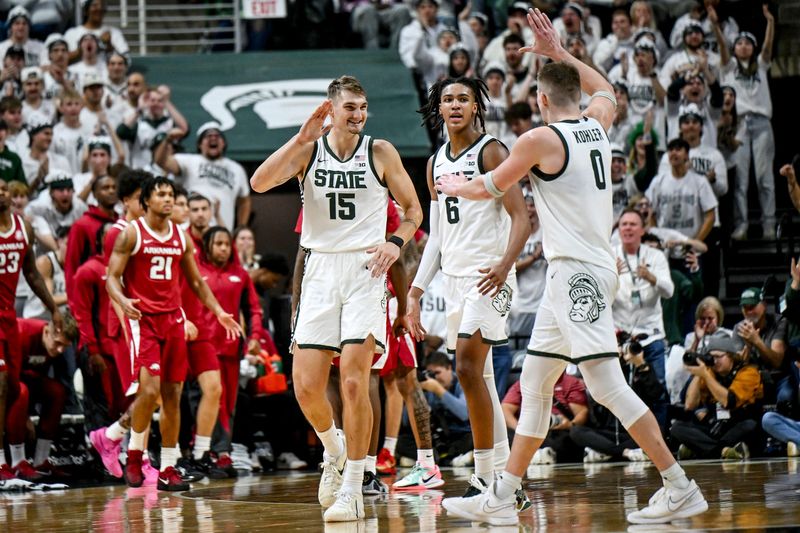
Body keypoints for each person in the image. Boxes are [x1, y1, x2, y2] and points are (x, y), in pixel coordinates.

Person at [436, 9, 708, 526]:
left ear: (540, 100)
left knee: (606, 385)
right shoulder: (597, 124)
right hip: (579, 269)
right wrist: (560, 52)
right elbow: (606, 87)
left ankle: (679, 485)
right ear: (572, 96)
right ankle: (503, 494)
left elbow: (488, 186)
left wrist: (451, 185)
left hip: (578, 272)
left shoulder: (539, 140)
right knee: (536, 383)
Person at [250, 75, 422, 522]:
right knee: (305, 384)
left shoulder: (381, 151)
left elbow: (414, 210)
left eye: (363, 107)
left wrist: (396, 242)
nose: (359, 115)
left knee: (353, 380)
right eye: (350, 107)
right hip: (321, 269)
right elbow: (259, 182)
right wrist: (299, 138)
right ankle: (334, 447)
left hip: (366, 270)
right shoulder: (309, 149)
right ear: (331, 109)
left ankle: (354, 489)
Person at [406, 76, 528, 500]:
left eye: (464, 99)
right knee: (485, 383)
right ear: (438, 109)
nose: (455, 105)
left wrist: (504, 265)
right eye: (448, 99)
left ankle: (482, 477)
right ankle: (507, 483)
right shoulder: (434, 162)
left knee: (468, 370)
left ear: (477, 106)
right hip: (455, 280)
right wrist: (417, 291)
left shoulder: (492, 151)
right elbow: (436, 236)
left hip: (489, 276)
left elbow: (522, 217)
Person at [106, 175, 242, 491]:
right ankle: (135, 454)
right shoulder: (131, 234)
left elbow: (196, 282)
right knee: (149, 392)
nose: (168, 200)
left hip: (173, 322)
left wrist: (219, 311)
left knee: (172, 397)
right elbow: (111, 277)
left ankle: (168, 467)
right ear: (146, 202)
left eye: (171, 194)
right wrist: (122, 299)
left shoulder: (182, 238)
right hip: (145, 321)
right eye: (162, 195)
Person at [0, 178, 64, 480]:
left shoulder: (22, 227)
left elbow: (32, 275)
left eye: (3, 188)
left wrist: (53, 308)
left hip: (8, 317)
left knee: (14, 391)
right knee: (1, 382)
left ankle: (18, 462)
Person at [713, 5, 776, 240]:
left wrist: (770, 22)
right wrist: (716, 27)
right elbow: (721, 46)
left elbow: (769, 47)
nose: (743, 46)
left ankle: (769, 225)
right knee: (741, 179)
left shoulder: (761, 65)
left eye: (748, 43)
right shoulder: (728, 68)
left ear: (753, 47)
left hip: (761, 124)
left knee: (764, 177)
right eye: (739, 43)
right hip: (739, 124)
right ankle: (742, 225)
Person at [670, 336, 763, 460]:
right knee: (677, 427)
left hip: (739, 423)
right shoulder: (709, 372)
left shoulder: (748, 372)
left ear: (731, 356)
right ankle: (724, 451)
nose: (714, 361)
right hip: (717, 426)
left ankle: (701, 449)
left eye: (719, 357)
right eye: (711, 357)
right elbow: (689, 405)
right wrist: (698, 376)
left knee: (750, 426)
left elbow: (729, 401)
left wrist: (706, 376)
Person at [13, 314, 78, 479]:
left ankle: (40, 460)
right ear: (47, 331)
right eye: (58, 344)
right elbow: (11, 377)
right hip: (7, 380)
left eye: (65, 346)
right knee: (21, 392)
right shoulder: (22, 332)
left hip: (24, 378)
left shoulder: (53, 346)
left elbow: (37, 375)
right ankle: (17, 461)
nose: (60, 350)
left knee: (57, 391)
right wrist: (25, 417)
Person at [154, 122, 250, 231]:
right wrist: (167, 139)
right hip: (191, 231)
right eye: (208, 136)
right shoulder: (189, 161)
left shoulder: (237, 169)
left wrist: (241, 228)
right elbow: (161, 161)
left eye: (217, 136)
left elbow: (245, 201)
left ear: (223, 143)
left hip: (222, 233)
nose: (213, 138)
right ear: (200, 144)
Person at [733, 287, 791, 407]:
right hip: (753, 379)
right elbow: (738, 365)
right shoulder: (739, 328)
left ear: (764, 305)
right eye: (745, 308)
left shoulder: (779, 321)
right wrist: (748, 346)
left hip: (778, 378)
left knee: (785, 397)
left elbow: (777, 361)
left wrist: (757, 341)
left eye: (752, 307)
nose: (749, 311)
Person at [63, 174, 117, 297]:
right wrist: (73, 301)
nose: (111, 191)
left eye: (114, 187)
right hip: (91, 295)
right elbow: (72, 264)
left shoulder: (121, 222)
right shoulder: (81, 225)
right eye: (105, 188)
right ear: (94, 193)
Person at [508, 191, 546, 350]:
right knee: (516, 354)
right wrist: (532, 258)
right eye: (526, 206)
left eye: (532, 205)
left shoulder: (546, 233)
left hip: (541, 304)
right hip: (519, 305)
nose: (529, 209)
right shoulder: (513, 233)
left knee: (537, 351)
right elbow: (510, 267)